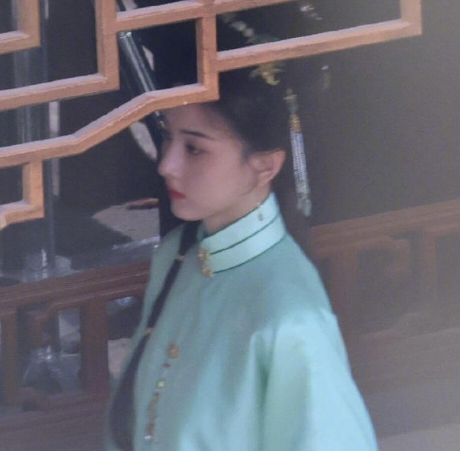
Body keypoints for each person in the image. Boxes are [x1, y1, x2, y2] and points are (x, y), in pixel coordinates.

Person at [105, 67, 378, 450]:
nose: (166, 164)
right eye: (168, 137)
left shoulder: (291, 318)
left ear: (265, 166)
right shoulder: (176, 256)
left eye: (194, 148)